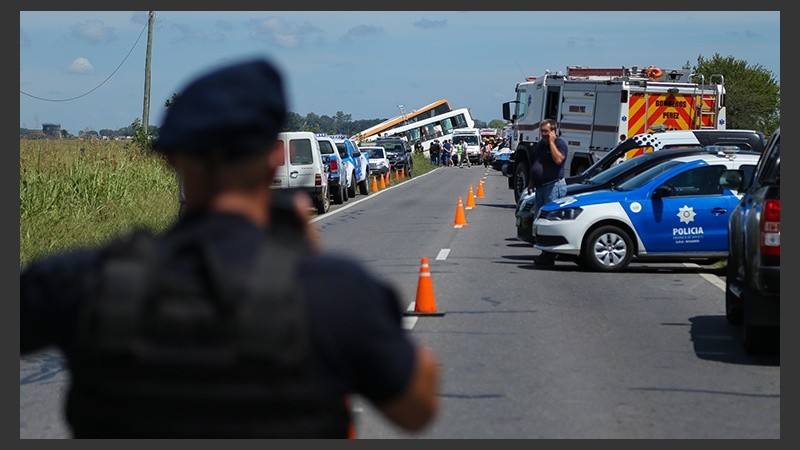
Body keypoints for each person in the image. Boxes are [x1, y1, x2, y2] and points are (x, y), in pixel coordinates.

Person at [20, 58, 440, 438]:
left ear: (169, 158)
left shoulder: (83, 282)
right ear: (276, 158)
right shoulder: (334, 293)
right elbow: (416, 408)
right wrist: (312, 260)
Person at [525, 119, 568, 266]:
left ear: (553, 131)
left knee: (550, 221)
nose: (543, 134)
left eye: (546, 132)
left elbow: (558, 160)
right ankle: (545, 252)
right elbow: (537, 163)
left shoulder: (560, 144)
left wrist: (551, 142)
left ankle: (549, 256)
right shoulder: (540, 145)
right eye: (542, 131)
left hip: (553, 187)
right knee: (540, 221)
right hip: (541, 188)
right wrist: (532, 181)